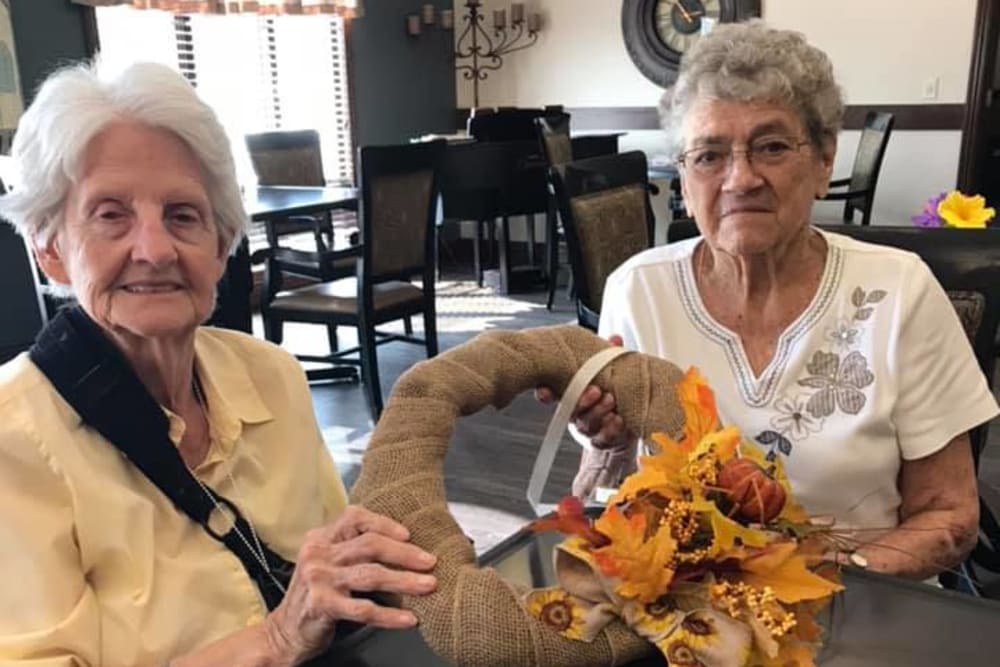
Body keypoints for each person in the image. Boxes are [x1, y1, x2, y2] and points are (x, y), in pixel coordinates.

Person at [0, 61, 437, 666]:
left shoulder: (271, 375)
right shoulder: (13, 438)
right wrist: (279, 637)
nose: (153, 250)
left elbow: (340, 564)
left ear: (221, 244)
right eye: (110, 214)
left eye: (183, 215)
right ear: (50, 249)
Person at [541, 21, 998, 581]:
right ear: (684, 179)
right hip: (685, 606)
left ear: (824, 161)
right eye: (708, 155)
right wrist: (606, 442)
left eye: (772, 146)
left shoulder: (900, 292)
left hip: (863, 602)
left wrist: (822, 584)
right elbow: (606, 487)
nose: (741, 178)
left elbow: (950, 516)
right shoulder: (638, 291)